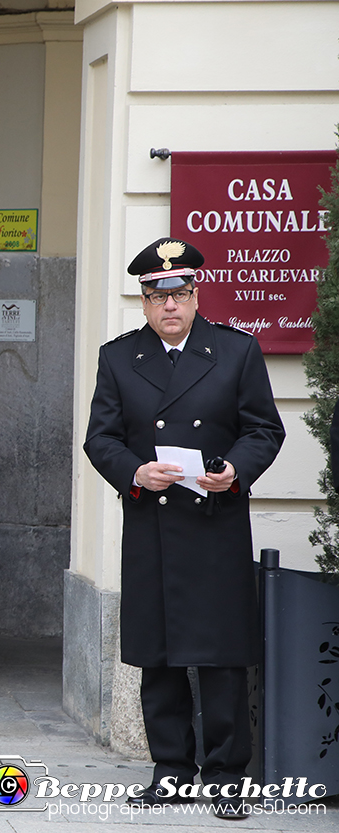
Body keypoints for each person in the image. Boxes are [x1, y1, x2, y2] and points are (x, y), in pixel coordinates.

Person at [83, 237, 284, 820]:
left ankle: (225, 778)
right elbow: (101, 438)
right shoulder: (120, 357)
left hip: (214, 522)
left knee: (221, 658)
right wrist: (135, 472)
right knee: (160, 656)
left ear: (196, 295)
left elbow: (264, 430)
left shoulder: (236, 351)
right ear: (143, 302)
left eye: (179, 293)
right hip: (153, 522)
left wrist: (236, 473)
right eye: (156, 295)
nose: (168, 304)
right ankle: (171, 770)